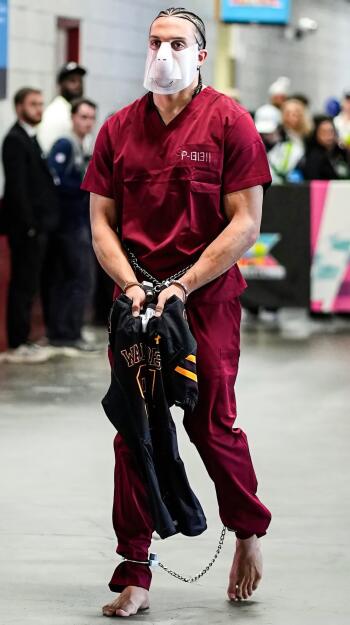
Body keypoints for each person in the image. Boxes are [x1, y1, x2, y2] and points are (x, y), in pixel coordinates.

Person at [82, 6, 272, 617]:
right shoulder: (117, 129)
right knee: (132, 431)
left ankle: (247, 530)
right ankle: (134, 568)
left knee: (209, 425)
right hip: (135, 303)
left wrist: (183, 285)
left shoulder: (229, 124)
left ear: (200, 54)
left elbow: (246, 223)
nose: (164, 52)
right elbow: (101, 225)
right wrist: (131, 284)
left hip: (205, 303)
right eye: (155, 40)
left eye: (177, 42)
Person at [1, 88, 59, 363]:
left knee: (31, 282)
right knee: (22, 284)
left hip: (38, 225)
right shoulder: (14, 140)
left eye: (40, 104)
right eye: (33, 104)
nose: (39, 109)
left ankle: (24, 337)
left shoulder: (30, 138)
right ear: (18, 107)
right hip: (25, 228)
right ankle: (17, 340)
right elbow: (17, 188)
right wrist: (29, 225)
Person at [46, 98, 98, 351]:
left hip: (78, 221)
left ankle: (67, 330)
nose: (87, 122)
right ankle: (67, 332)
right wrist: (82, 187)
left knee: (74, 277)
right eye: (83, 117)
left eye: (91, 118)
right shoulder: (65, 144)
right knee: (77, 277)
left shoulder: (82, 145)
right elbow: (53, 178)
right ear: (73, 118)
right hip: (68, 223)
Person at [37, 62, 87, 154]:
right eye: (72, 81)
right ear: (60, 84)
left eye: (80, 81)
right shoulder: (54, 113)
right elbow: (46, 150)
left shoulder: (77, 110)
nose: (78, 85)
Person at [268, 98, 312, 183]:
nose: (292, 116)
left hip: (305, 179)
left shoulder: (308, 136)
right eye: (288, 113)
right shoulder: (278, 135)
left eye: (296, 113)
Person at [301, 115, 350, 180]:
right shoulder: (313, 157)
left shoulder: (342, 152)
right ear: (316, 134)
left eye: (331, 131)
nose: (328, 135)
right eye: (324, 132)